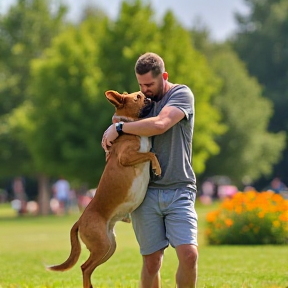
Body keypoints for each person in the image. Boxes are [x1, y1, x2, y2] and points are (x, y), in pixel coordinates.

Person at [102, 52, 198, 288]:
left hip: (179, 188)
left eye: (150, 84)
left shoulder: (180, 95)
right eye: (140, 85)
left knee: (189, 255)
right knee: (152, 262)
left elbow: (161, 124)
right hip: (146, 194)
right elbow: (120, 121)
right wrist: (112, 132)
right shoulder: (143, 104)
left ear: (163, 76)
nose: (144, 90)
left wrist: (121, 127)